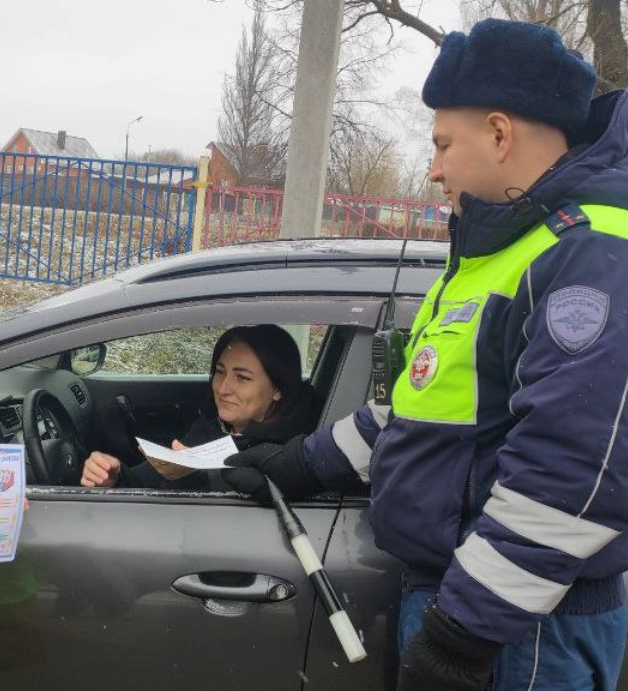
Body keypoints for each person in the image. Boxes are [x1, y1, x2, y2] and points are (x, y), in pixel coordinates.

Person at [224, 18, 628, 691]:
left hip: (522, 628)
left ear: (500, 134)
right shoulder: (496, 249)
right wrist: (300, 462)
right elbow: (424, 406)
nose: (433, 167)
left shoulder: (586, 254)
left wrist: (461, 634)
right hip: (477, 605)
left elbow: (573, 477)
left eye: (442, 144)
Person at [81, 324, 320, 492]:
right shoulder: (216, 427)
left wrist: (190, 479)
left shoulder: (285, 455)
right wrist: (114, 475)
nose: (223, 388)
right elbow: (146, 481)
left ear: (278, 388)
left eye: (242, 378)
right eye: (220, 372)